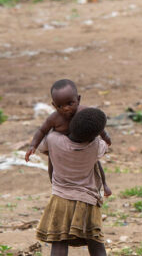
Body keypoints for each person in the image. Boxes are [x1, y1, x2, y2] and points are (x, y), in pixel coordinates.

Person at [35, 107, 110, 254]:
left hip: (60, 200)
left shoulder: (53, 140)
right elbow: (105, 145)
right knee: (96, 244)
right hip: (87, 202)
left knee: (59, 243)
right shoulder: (95, 146)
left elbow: (42, 147)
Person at [25, 79, 112, 198]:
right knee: (53, 164)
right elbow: (41, 131)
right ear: (54, 105)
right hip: (60, 148)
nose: (65, 108)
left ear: (78, 99)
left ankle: (105, 185)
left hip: (83, 146)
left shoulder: (84, 112)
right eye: (60, 106)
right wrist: (32, 146)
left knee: (95, 163)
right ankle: (57, 188)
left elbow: (96, 125)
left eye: (70, 103)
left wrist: (106, 137)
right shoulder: (54, 118)